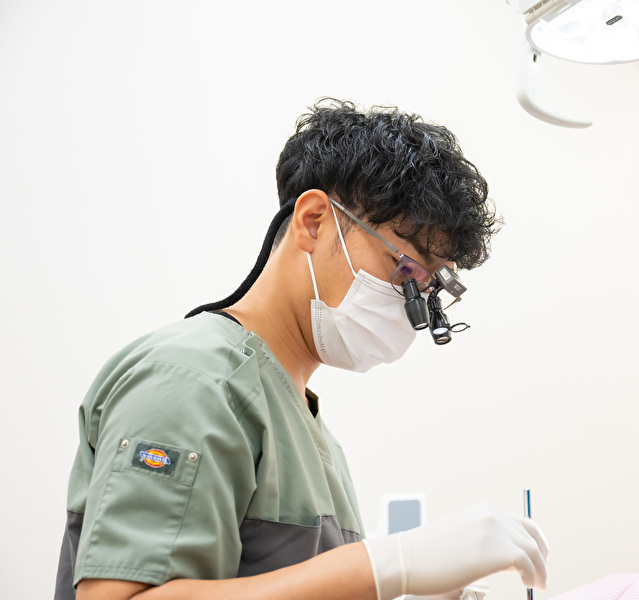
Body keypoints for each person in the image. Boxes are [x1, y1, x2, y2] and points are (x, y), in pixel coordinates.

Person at [55, 98, 549, 600]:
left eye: (426, 291)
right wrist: (386, 565)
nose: (411, 308)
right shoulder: (190, 380)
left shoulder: (309, 431)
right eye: (405, 270)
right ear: (313, 221)